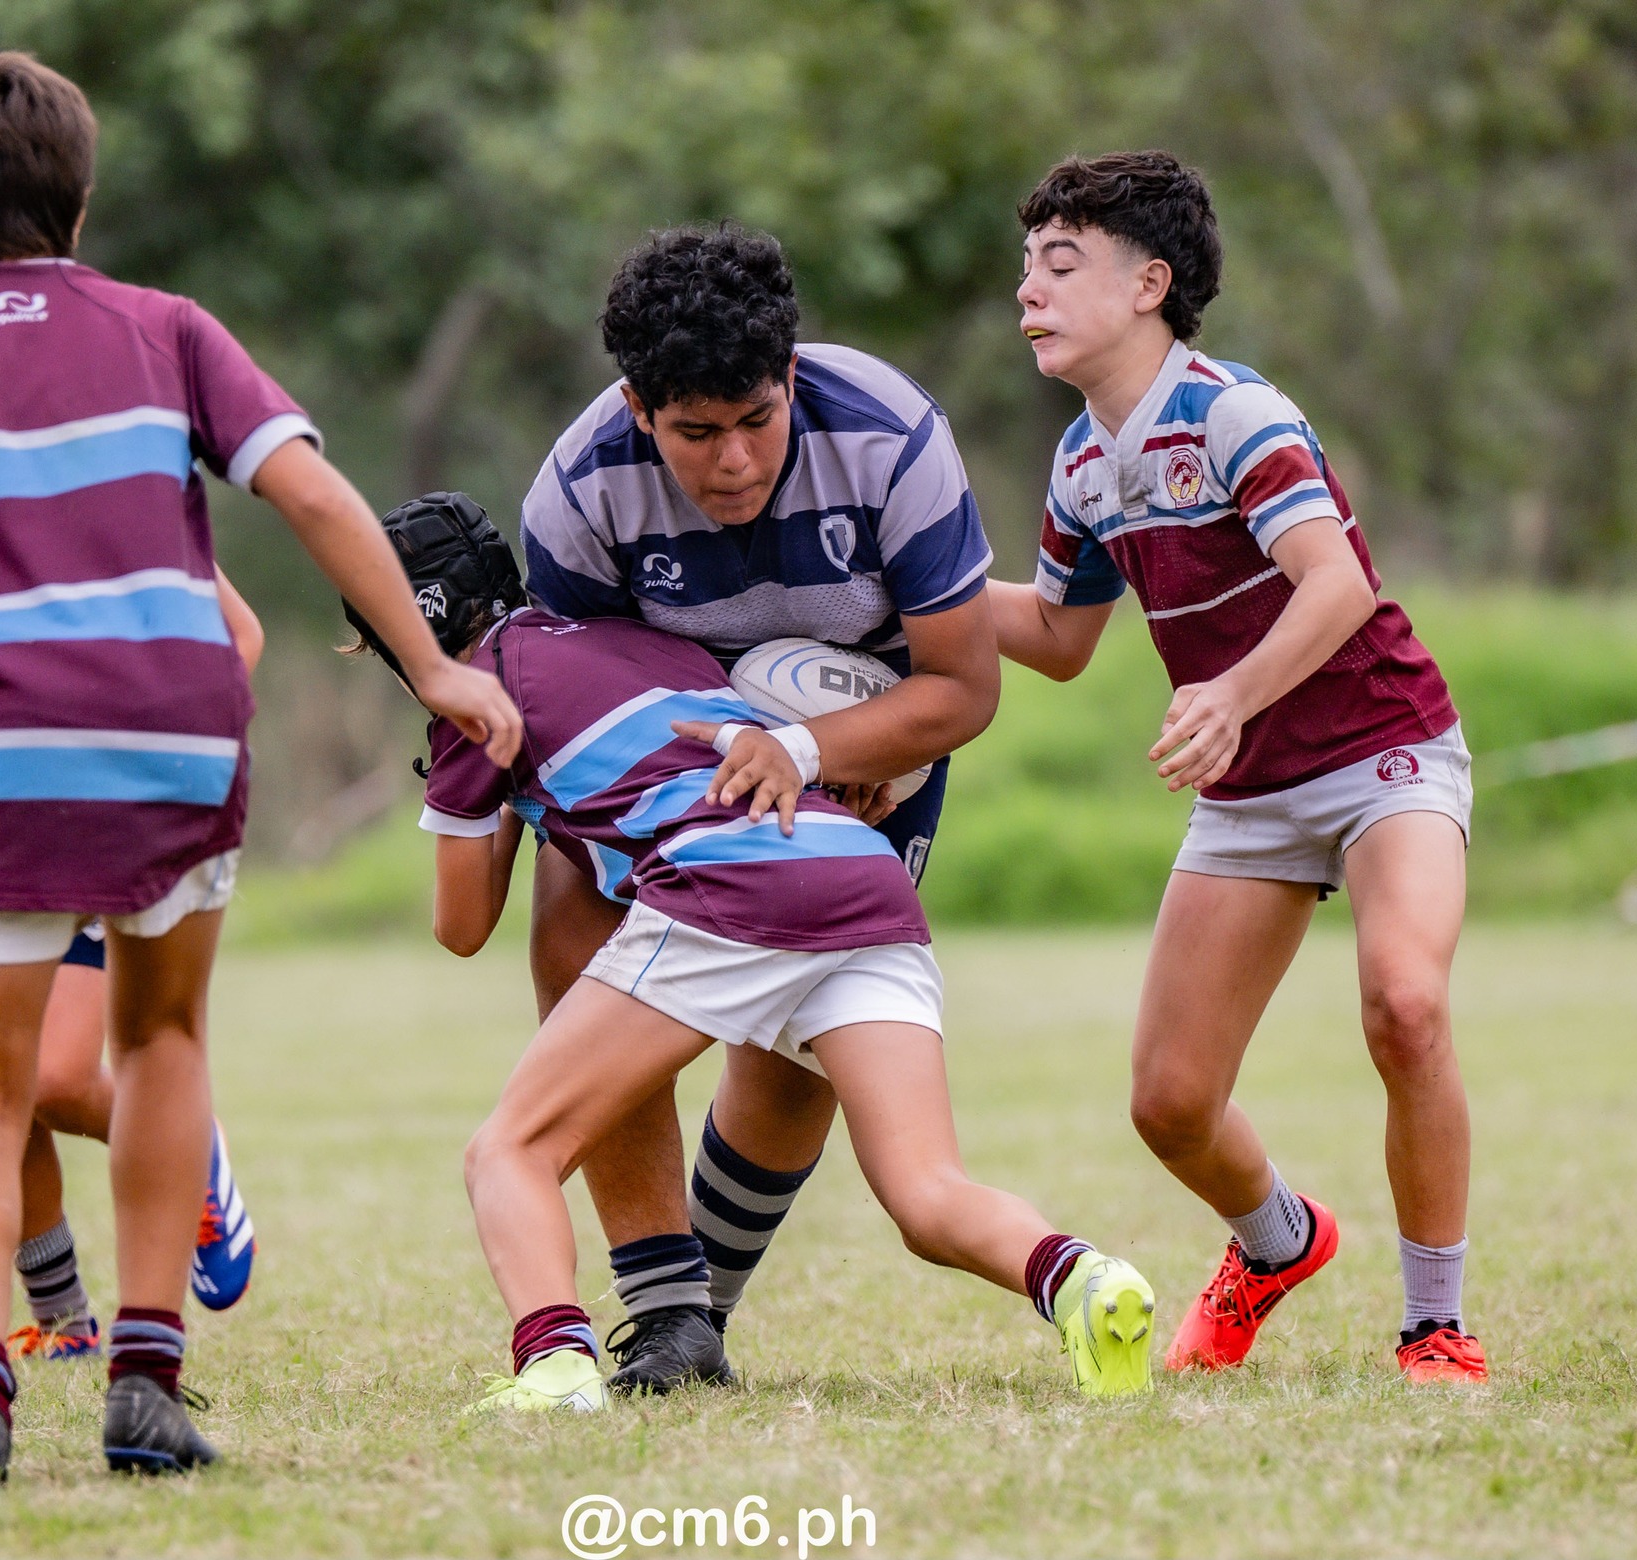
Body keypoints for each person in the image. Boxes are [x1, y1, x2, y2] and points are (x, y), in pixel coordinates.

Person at [0, 51, 521, 1490]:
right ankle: (146, 1386)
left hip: (4, 751)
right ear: (79, 198)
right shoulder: (170, 329)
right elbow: (313, 490)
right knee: (163, 1046)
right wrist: (438, 668)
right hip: (176, 730)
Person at [352, 493, 1154, 1411]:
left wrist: (485, 784)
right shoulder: (641, 638)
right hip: (863, 876)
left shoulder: (477, 699)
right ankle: (1085, 1280)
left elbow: (461, 927)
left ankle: (555, 1368)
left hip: (728, 886)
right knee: (927, 1193)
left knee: (511, 1151)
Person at [990, 150, 1486, 1384]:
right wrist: (911, 599)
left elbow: (1336, 583)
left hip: (1382, 747)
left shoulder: (1228, 412)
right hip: (1248, 790)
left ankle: (1434, 1326)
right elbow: (1056, 640)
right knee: (1166, 1103)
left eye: (1059, 267)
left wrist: (1225, 693)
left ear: (1149, 282)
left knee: (1405, 1004)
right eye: (1024, 269)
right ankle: (1274, 1245)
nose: (1026, 293)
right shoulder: (1078, 462)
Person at [517, 224, 1001, 1392]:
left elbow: (964, 688)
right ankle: (658, 1296)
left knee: (796, 1049)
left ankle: (698, 1318)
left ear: (788, 377)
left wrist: (809, 745)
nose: (732, 460)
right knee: (572, 944)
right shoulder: (577, 498)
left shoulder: (891, 440)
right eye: (694, 433)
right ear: (637, 408)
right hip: (668, 760)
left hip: (868, 748)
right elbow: (576, 707)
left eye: (756, 420)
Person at [0, 513, 266, 1357]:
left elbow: (240, 636)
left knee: (52, 1077)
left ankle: (187, 1138)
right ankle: (66, 1321)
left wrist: (145, 752)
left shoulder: (108, 477)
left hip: (110, 814)